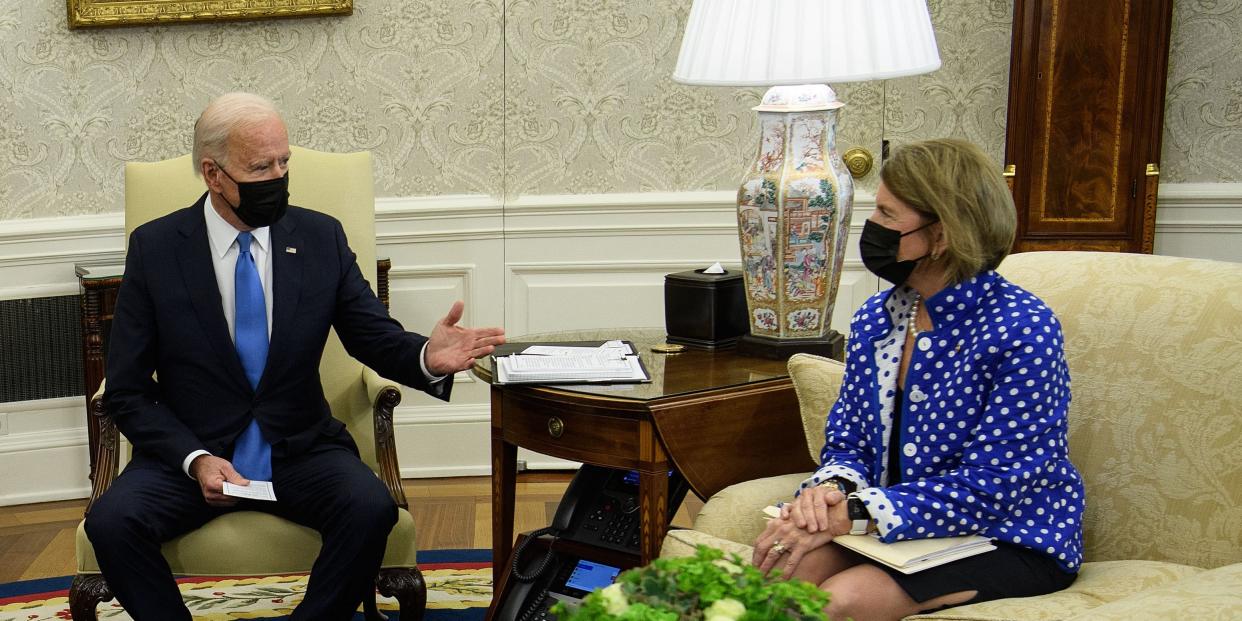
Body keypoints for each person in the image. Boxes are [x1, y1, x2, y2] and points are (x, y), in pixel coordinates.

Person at [85, 92, 506, 620]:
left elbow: (371, 336)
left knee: (371, 508)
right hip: (192, 452)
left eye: (284, 162)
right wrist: (195, 460)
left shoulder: (318, 236)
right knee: (111, 522)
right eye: (261, 167)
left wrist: (426, 355)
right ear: (213, 174)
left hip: (299, 447)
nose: (279, 177)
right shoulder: (157, 248)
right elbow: (126, 387)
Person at [752, 139, 1084, 621]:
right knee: (781, 569)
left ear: (942, 234)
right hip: (901, 532)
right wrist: (825, 497)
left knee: (839, 602)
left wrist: (857, 513)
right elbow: (849, 444)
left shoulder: (1022, 328)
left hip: (1008, 534)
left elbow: (992, 487)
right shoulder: (877, 319)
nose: (872, 228)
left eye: (887, 216)